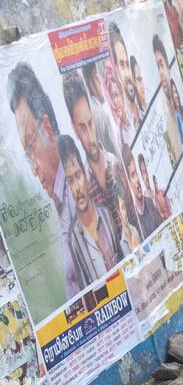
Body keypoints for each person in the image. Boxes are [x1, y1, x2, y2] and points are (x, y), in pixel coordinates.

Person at [8, 61, 78, 298]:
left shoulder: (78, 192)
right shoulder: (60, 206)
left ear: (48, 129)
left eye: (31, 147)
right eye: (26, 155)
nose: (34, 169)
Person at [63, 70, 137, 252]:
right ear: (74, 129)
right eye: (82, 127)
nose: (90, 136)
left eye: (90, 123)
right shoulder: (84, 188)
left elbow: (136, 216)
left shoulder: (117, 166)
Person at [58, 135, 122, 291]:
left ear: (85, 175)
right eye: (70, 180)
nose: (77, 187)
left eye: (78, 176)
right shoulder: (74, 239)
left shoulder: (106, 215)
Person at [152, 35, 183, 166]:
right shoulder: (165, 125)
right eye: (157, 68)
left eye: (161, 64)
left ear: (168, 68)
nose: (161, 73)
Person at [108, 22, 141, 138]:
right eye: (122, 65)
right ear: (116, 70)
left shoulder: (143, 107)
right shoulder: (123, 131)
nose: (127, 74)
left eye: (127, 64)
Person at [122, 144, 161, 239]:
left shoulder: (149, 203)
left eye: (137, 173)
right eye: (132, 175)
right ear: (128, 182)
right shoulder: (131, 217)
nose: (137, 180)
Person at [171, 81, 183, 150]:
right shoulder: (176, 114)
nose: (176, 95)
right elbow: (180, 131)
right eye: (173, 93)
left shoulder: (182, 109)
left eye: (176, 91)